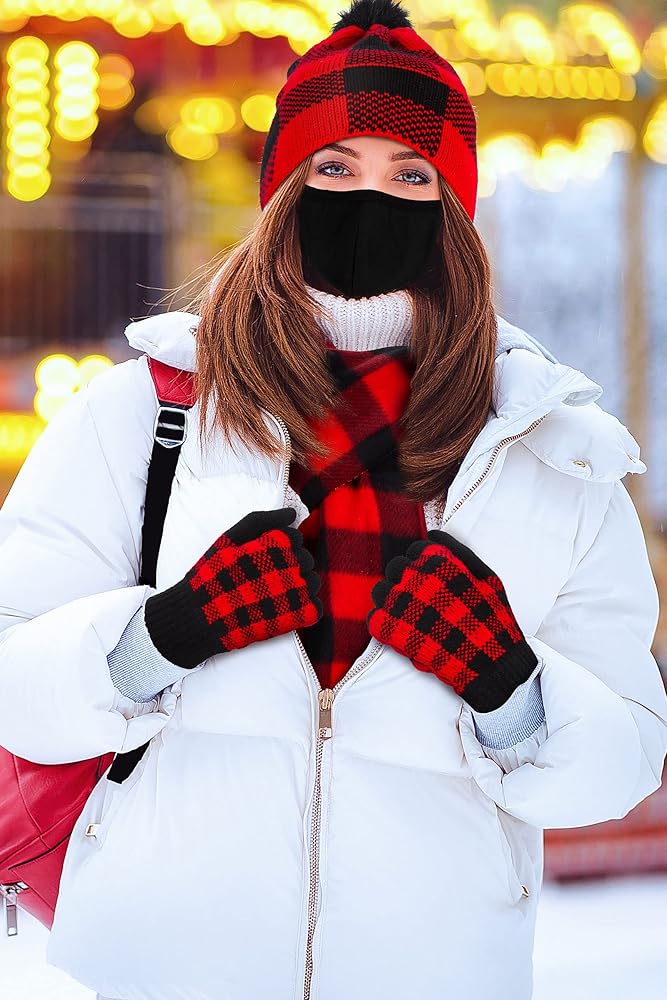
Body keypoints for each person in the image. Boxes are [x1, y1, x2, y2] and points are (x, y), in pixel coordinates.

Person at [0, 2, 665, 998]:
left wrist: (510, 689)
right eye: (335, 167)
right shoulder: (138, 415)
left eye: (410, 175)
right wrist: (160, 636)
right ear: (284, 190)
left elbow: (623, 762)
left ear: (452, 207)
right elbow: (12, 684)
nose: (369, 199)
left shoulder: (548, 453)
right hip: (166, 970)